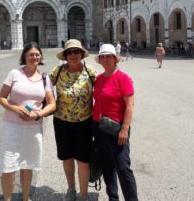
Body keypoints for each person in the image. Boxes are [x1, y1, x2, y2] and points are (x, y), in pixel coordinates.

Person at [0, 42, 56, 201]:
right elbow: (1, 98)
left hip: (33, 128)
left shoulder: (44, 78)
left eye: (37, 54)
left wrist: (37, 115)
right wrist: (16, 109)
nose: (34, 57)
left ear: (41, 57)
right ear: (24, 56)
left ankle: (25, 198)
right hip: (12, 127)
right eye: (31, 54)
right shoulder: (14, 74)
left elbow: (52, 104)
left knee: (27, 165)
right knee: (8, 166)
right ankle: (7, 199)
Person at [50, 39, 97, 201]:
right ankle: (71, 189)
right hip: (62, 121)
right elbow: (41, 86)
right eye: (69, 52)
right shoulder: (58, 70)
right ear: (65, 56)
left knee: (83, 160)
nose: (73, 55)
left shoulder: (90, 71)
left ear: (82, 54)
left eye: (76, 51)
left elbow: (105, 87)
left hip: (84, 121)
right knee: (67, 157)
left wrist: (122, 86)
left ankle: (83, 195)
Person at [92, 44, 138, 201]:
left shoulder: (123, 78)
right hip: (99, 127)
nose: (105, 59)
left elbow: (130, 104)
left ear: (114, 59)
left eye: (108, 56)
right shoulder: (98, 79)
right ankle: (113, 197)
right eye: (102, 56)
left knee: (123, 168)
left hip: (117, 128)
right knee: (106, 166)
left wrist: (125, 129)